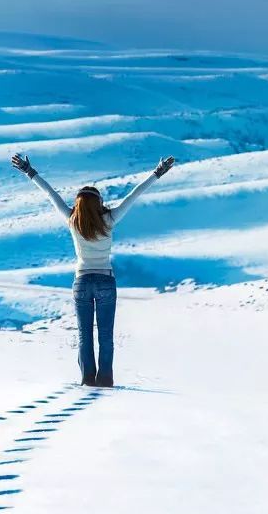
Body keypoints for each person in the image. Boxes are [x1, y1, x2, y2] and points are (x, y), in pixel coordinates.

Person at [11, 152, 176, 387]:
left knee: (84, 335)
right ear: (98, 202)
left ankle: (88, 379)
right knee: (105, 335)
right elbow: (134, 195)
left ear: (78, 203)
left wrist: (30, 172)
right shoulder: (109, 219)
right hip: (105, 280)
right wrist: (157, 173)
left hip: (82, 282)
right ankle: (105, 379)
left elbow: (50, 194)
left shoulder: (72, 219)